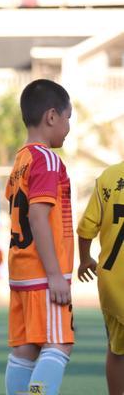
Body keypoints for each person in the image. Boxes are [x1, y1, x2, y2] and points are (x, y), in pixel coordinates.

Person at [4, 79, 74, 395]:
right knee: (58, 346)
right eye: (68, 118)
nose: (68, 126)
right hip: (43, 274)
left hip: (21, 272)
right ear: (51, 117)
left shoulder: (20, 161)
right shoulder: (46, 159)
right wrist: (55, 275)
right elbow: (37, 216)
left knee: (25, 350)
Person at [77, 162, 124, 395]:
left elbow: (86, 228)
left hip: (113, 280)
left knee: (116, 350)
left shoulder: (110, 177)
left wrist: (85, 259)